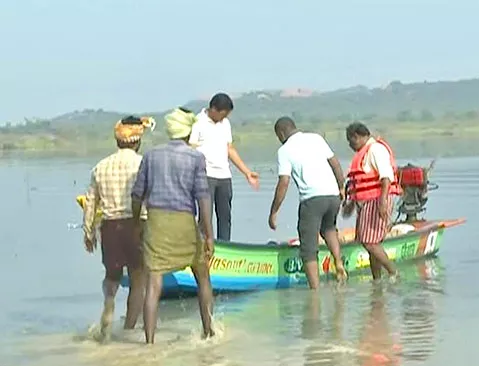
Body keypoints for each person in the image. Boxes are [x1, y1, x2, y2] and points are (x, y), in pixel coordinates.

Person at [131, 107, 215, 344]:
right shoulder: (195, 157)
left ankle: (149, 342)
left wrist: (137, 222)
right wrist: (208, 234)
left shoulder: (151, 155)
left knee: (153, 284)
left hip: (157, 221)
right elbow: (203, 197)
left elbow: (137, 194)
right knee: (203, 276)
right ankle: (208, 332)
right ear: (188, 133)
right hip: (184, 222)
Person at [82, 115, 155, 340]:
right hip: (137, 225)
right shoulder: (143, 164)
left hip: (110, 227)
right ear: (137, 142)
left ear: (117, 141)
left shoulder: (100, 167)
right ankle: (129, 329)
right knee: (138, 278)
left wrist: (89, 232)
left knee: (112, 275)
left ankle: (109, 302)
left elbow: (90, 201)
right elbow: (151, 198)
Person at [268, 117, 347, 289]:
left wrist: (274, 212)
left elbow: (283, 182)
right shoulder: (316, 138)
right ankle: (338, 262)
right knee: (329, 228)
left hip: (312, 200)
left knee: (309, 248)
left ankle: (315, 290)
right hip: (332, 195)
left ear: (281, 133)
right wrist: (341, 187)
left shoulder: (285, 150)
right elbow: (335, 164)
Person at [189, 92, 260, 241]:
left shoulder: (225, 124)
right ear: (213, 109)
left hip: (224, 176)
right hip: (205, 175)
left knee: (225, 216)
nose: (224, 118)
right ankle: (204, 246)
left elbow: (230, 149)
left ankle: (225, 246)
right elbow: (191, 149)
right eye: (223, 114)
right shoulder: (198, 122)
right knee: (205, 216)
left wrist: (247, 172)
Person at [342, 122, 401, 281]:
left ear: (357, 136)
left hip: (377, 200)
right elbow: (358, 183)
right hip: (366, 202)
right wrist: (351, 204)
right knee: (370, 244)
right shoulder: (364, 152)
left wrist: (382, 202)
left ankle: (393, 272)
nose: (350, 145)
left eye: (350, 140)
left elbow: (386, 177)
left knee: (369, 243)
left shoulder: (376, 149)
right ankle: (377, 280)